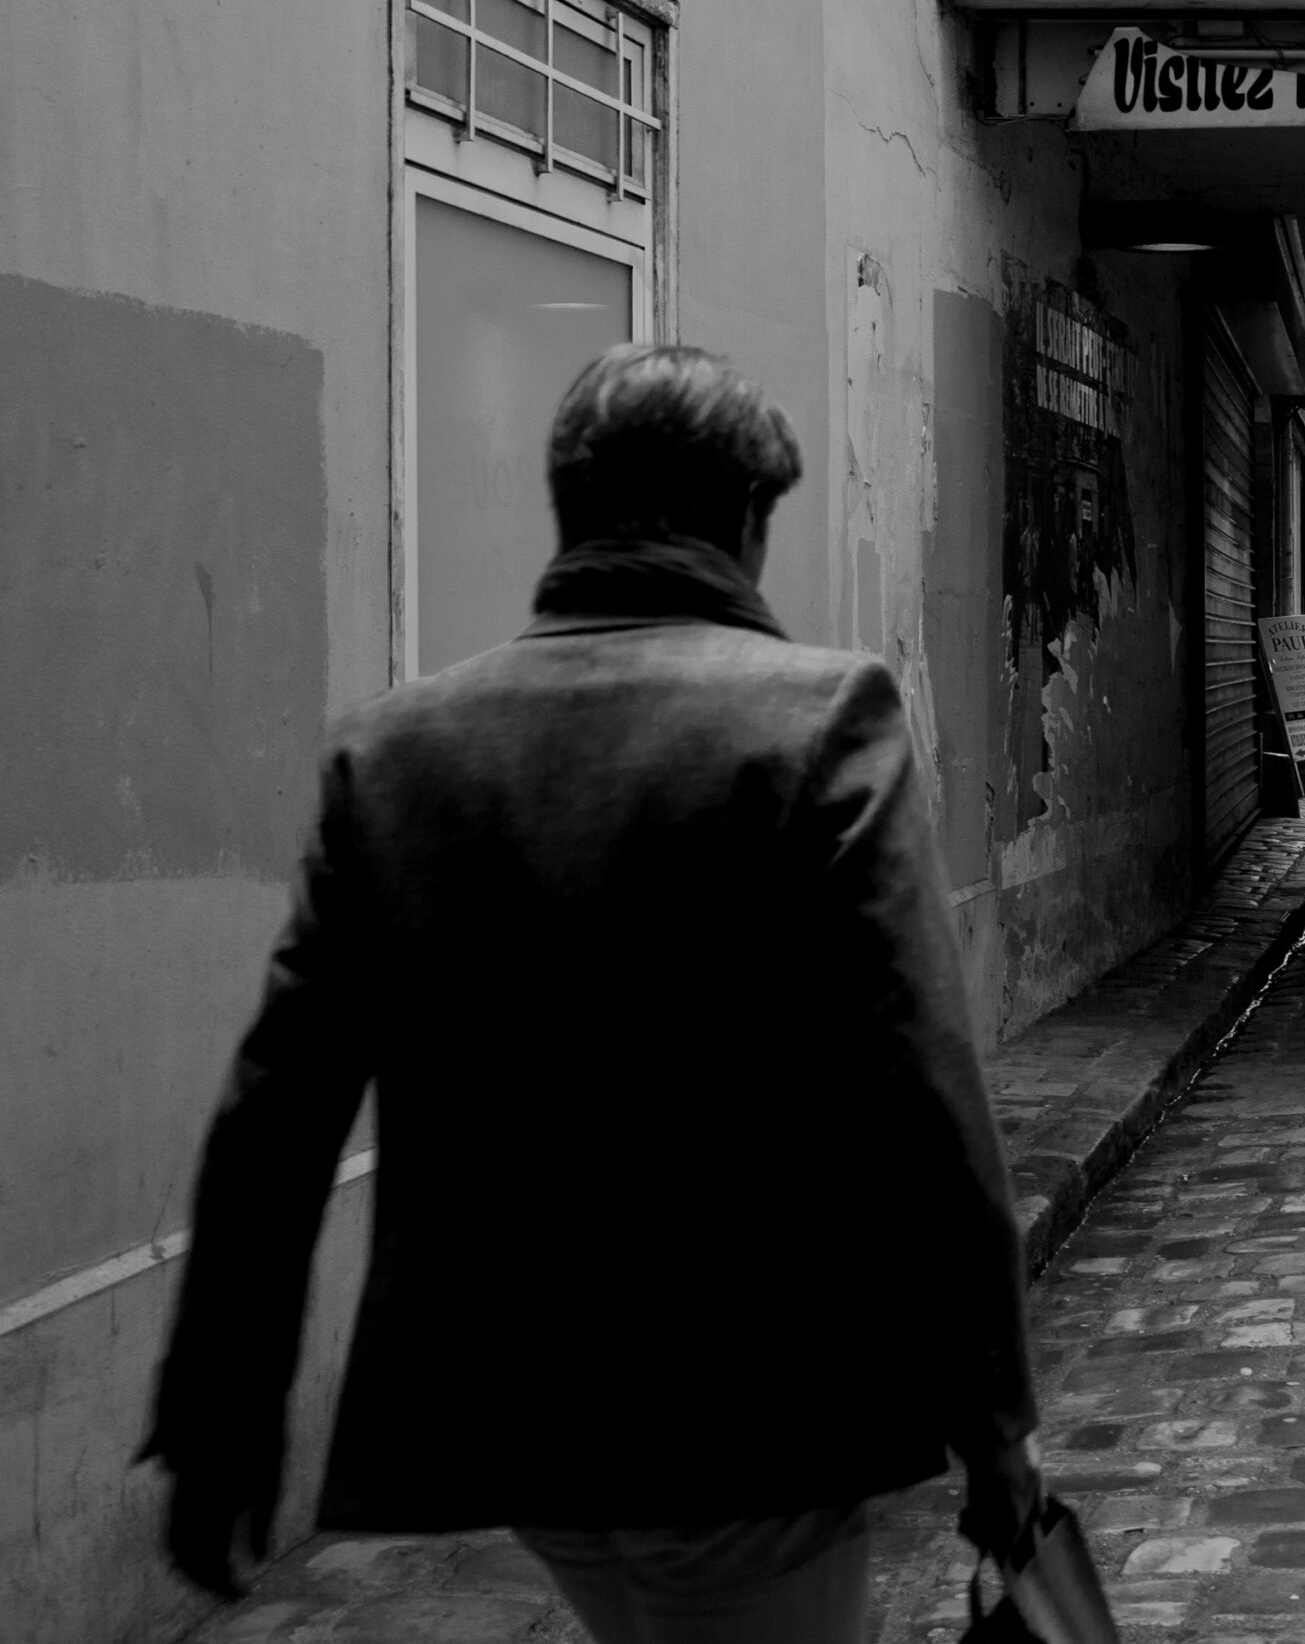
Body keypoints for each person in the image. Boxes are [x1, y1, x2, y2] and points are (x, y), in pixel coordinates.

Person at [142, 343, 1041, 1642]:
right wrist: (995, 1420)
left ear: (569, 509)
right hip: (749, 1416)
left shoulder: (396, 750)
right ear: (746, 519)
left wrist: (219, 1411)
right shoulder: (818, 717)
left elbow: (277, 1107)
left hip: (516, 1423)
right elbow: (921, 1089)